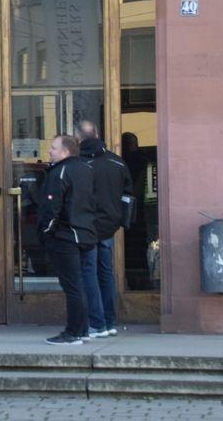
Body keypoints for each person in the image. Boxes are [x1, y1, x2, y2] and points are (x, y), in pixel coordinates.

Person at [38, 134, 96, 345]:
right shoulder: (87, 169)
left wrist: (46, 231)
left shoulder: (60, 171)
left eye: (53, 147)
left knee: (72, 285)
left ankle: (73, 332)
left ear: (66, 151)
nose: (50, 151)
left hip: (65, 236)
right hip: (85, 234)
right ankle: (82, 329)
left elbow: (52, 207)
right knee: (79, 284)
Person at [77, 121, 132, 338]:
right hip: (109, 227)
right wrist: (118, 220)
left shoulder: (78, 164)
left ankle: (96, 323)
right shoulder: (117, 162)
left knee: (88, 273)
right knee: (106, 274)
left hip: (87, 226)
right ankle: (109, 322)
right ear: (98, 134)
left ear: (79, 139)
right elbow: (127, 195)